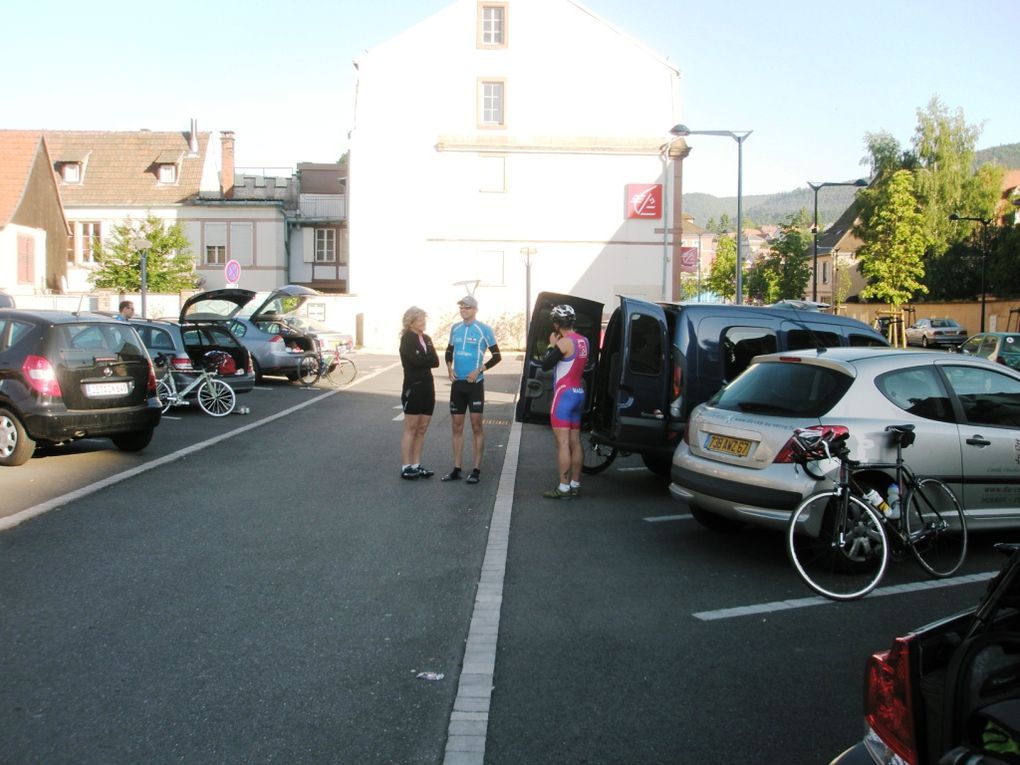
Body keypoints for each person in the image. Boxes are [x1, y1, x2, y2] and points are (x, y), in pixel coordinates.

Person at [442, 295, 501, 484]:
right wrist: (449, 367)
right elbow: (449, 350)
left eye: (467, 308)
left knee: (477, 426)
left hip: (475, 384)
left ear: (475, 309)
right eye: (461, 308)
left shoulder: (483, 329)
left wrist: (479, 370)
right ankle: (457, 468)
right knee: (456, 426)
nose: (463, 311)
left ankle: (476, 470)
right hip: (458, 384)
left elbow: (497, 356)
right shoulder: (455, 328)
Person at [539, 304, 589, 499]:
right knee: (576, 442)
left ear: (556, 324)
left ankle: (563, 487)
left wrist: (552, 344)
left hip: (563, 394)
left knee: (563, 443)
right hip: (578, 393)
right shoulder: (584, 341)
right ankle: (575, 484)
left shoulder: (564, 343)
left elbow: (545, 365)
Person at [399, 306, 440, 480]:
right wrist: (426, 359)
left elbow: (436, 361)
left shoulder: (427, 338)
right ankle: (406, 466)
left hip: (428, 386)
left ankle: (417, 464)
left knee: (422, 428)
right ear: (411, 321)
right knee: (411, 427)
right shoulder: (407, 338)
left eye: (424, 319)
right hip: (413, 387)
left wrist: (425, 360)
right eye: (420, 319)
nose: (423, 322)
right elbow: (415, 361)